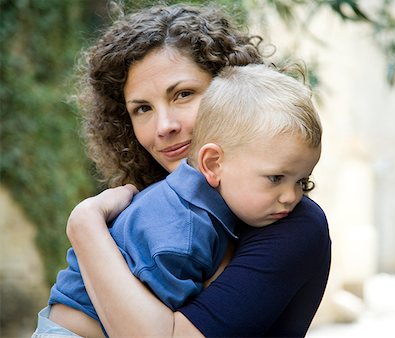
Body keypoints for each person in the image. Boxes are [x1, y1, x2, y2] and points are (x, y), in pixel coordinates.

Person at [34, 4, 331, 337]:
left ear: (230, 90)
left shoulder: (290, 223)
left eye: (183, 94)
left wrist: (86, 226)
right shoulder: (164, 209)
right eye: (142, 108)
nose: (164, 126)